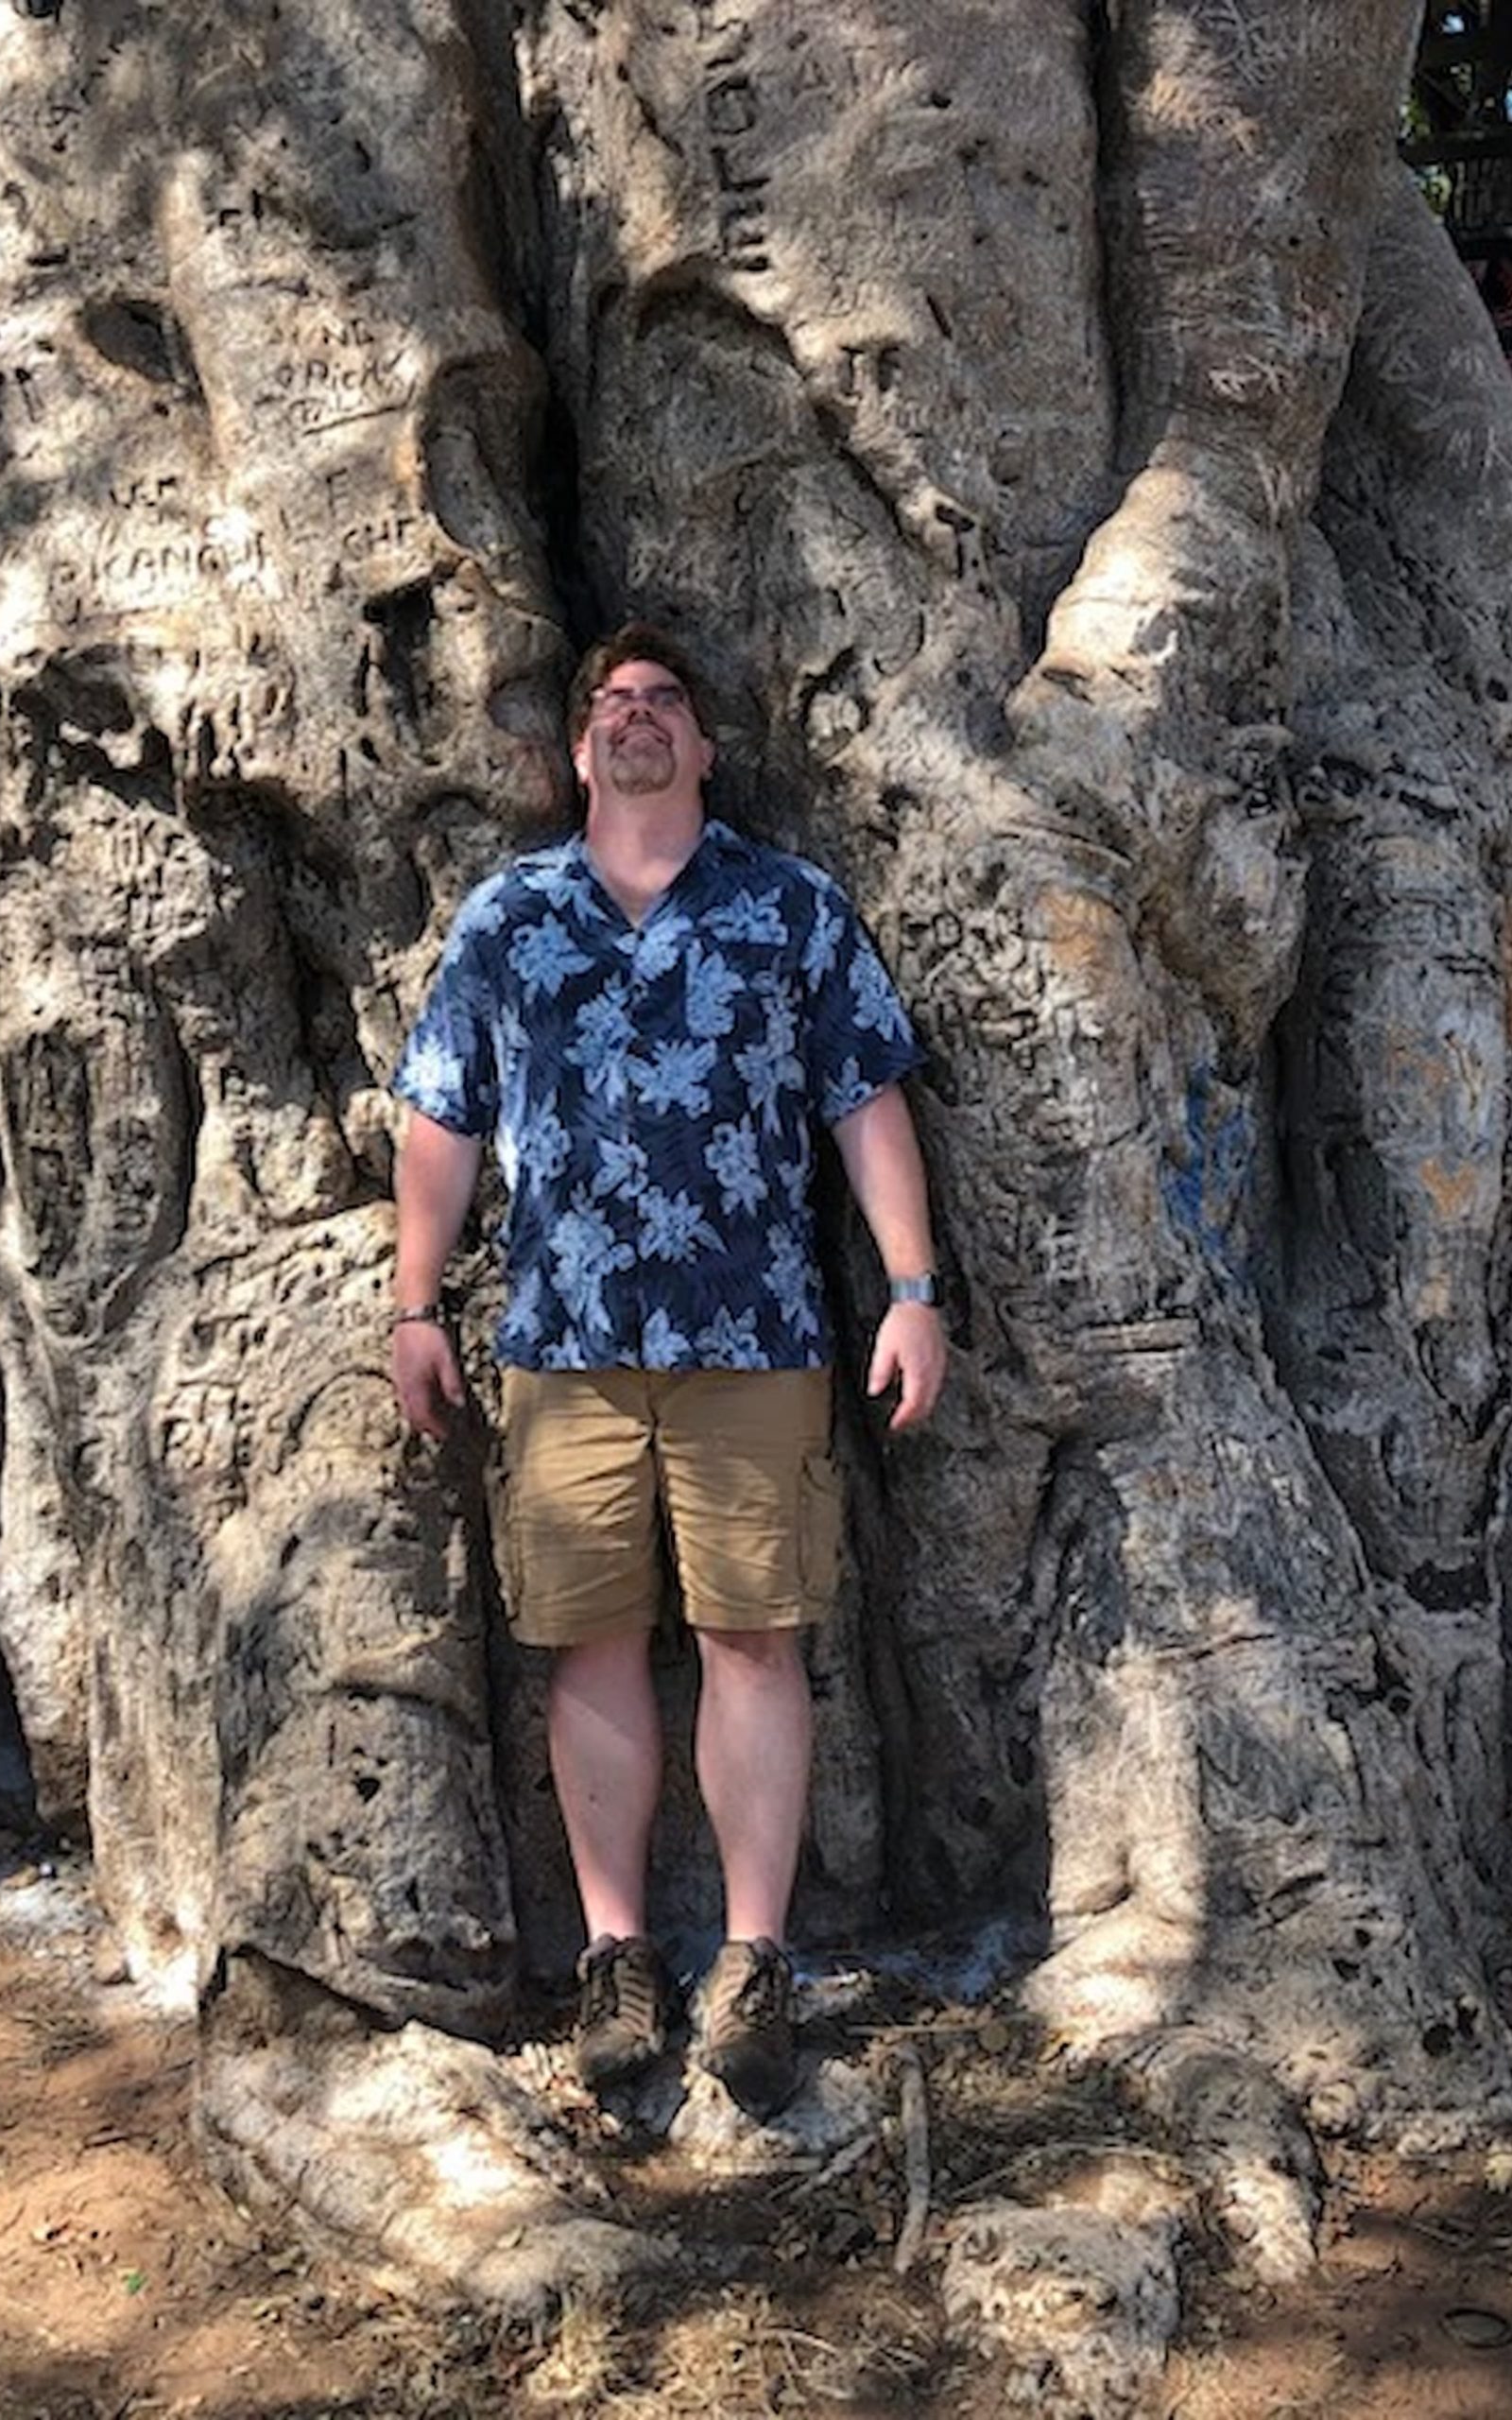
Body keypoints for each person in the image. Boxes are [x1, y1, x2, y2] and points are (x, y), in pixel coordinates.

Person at [389, 622, 946, 2119]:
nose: (635, 718)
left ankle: (757, 1963)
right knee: (592, 1648)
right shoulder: (511, 919)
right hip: (563, 1352)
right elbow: (441, 1120)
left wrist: (912, 1290)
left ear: (703, 748)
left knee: (755, 1638)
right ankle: (618, 1958)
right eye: (610, 704)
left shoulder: (789, 908)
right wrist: (412, 1305)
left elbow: (867, 1103)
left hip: (756, 1337)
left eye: (664, 703)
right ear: (580, 752)